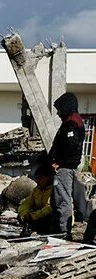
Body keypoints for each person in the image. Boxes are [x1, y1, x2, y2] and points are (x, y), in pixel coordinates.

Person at [51, 92, 87, 236]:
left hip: (65, 168)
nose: (59, 113)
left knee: (62, 199)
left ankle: (63, 231)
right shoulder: (75, 121)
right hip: (67, 166)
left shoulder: (71, 122)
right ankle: (60, 228)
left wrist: (59, 162)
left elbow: (71, 145)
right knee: (60, 199)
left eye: (60, 109)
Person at [18, 157, 60, 235]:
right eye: (36, 178)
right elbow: (26, 203)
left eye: (40, 178)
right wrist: (24, 213)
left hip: (50, 217)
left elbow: (50, 208)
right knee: (21, 217)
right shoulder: (37, 189)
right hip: (38, 215)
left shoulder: (55, 190)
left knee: (50, 217)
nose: (37, 181)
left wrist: (34, 216)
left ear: (48, 177)